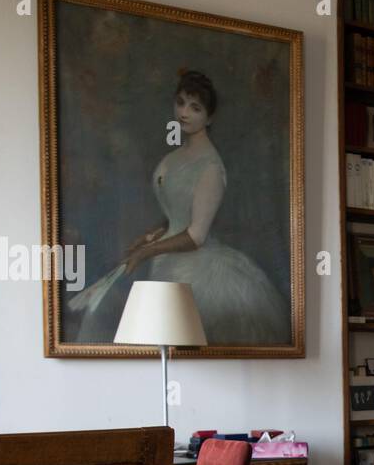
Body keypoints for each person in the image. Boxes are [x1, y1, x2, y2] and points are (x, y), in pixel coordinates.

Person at [69, 70, 291, 345]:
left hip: (197, 268)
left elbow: (196, 234)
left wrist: (147, 251)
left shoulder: (210, 167)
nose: (184, 112)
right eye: (181, 102)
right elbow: (178, 214)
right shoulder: (176, 156)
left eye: (195, 107)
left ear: (209, 118)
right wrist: (152, 235)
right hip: (167, 257)